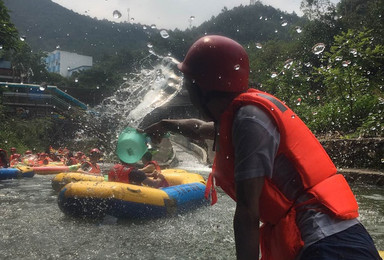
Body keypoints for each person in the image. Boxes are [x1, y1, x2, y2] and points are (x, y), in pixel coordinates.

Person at [143, 35, 381, 260]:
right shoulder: (243, 115)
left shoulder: (249, 121)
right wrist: (165, 125)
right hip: (329, 237)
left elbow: (247, 213)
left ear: (200, 88)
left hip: (328, 244)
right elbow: (199, 128)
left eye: (188, 84)